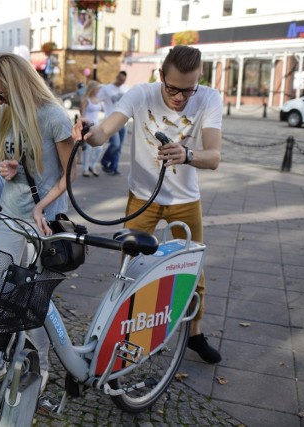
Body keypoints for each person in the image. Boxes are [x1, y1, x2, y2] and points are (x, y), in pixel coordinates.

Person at [73, 45, 222, 364]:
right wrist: (88, 133)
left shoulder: (209, 98)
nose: (180, 97)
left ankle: (194, 333)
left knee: (194, 273)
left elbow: (214, 155)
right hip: (143, 197)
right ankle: (124, 333)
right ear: (160, 76)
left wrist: (188, 154)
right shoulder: (141, 94)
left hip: (186, 200)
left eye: (188, 89)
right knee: (129, 270)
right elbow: (105, 131)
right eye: (173, 88)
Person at [0, 53, 76, 391]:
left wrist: (42, 207)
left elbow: (69, 175)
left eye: (1, 94)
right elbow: (15, 163)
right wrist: (9, 168)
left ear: (17, 87)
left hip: (41, 222)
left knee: (31, 297)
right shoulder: (11, 116)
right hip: (9, 213)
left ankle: (40, 363)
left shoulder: (54, 118)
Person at [98, 71, 128, 176]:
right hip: (111, 121)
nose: (121, 82)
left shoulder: (125, 88)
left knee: (119, 147)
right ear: (116, 77)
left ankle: (113, 168)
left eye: (123, 81)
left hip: (123, 121)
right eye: (120, 79)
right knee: (115, 144)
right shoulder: (107, 89)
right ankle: (104, 161)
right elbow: (97, 99)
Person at [79, 80, 103, 177]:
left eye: (98, 88)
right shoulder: (86, 100)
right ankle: (85, 169)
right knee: (88, 148)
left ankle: (92, 165)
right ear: (92, 89)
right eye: (96, 88)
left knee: (99, 148)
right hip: (88, 125)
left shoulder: (98, 99)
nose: (98, 90)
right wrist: (83, 126)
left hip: (97, 126)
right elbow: (82, 114)